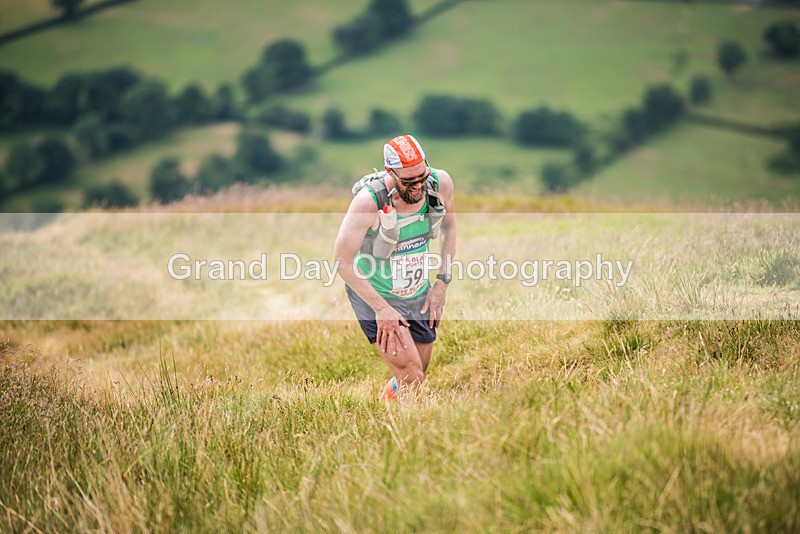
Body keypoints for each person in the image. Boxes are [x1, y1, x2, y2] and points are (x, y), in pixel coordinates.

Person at [333, 134, 457, 401]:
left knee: (417, 375)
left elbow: (450, 227)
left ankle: (386, 405)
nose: (417, 187)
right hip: (375, 295)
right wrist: (381, 309)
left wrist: (441, 284)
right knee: (412, 376)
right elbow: (340, 261)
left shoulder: (440, 183)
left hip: (418, 292)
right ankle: (409, 435)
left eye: (421, 177)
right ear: (389, 172)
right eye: (408, 181)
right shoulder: (368, 203)